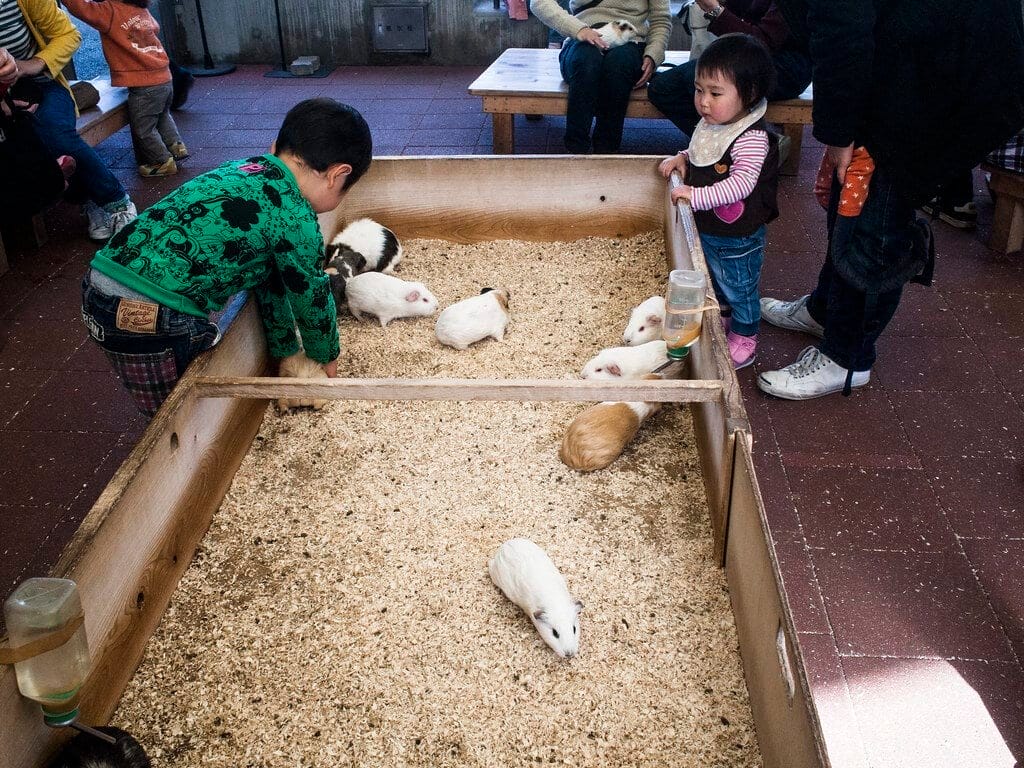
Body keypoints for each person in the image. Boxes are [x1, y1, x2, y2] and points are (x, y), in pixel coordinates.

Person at [756, 0, 1024, 400]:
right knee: (851, 201)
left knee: (877, 220)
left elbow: (843, 38)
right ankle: (825, 311)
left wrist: (838, 133)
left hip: (940, 87)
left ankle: (847, 358)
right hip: (910, 65)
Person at [80, 98, 372, 417]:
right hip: (155, 315)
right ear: (336, 175)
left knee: (152, 390)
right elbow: (311, 295)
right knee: (180, 413)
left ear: (277, 146)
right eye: (345, 189)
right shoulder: (295, 218)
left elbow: (268, 281)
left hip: (100, 287)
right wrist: (326, 358)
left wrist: (286, 352)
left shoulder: (242, 170)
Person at [658, 34, 778, 369]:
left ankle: (745, 336)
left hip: (738, 236)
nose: (703, 102)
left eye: (715, 93)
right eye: (699, 90)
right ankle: (725, 318)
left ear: (750, 95)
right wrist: (684, 156)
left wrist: (696, 195)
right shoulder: (715, 122)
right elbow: (702, 154)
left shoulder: (751, 138)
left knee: (740, 286)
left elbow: (740, 185)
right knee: (717, 280)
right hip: (712, 229)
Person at [0, 0, 137, 240]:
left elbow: (67, 35)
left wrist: (28, 66)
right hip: (5, 101)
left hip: (41, 86)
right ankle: (83, 194)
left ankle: (116, 201)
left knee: (52, 132)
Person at [647, 0, 811, 142]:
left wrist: (715, 10)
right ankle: (726, 141)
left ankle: (745, 145)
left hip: (785, 67)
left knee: (696, 78)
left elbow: (762, 44)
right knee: (660, 87)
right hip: (746, 56)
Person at [61, 0, 187, 178]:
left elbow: (81, 8)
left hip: (143, 85)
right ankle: (176, 146)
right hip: (164, 77)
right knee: (161, 116)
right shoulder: (140, 8)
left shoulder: (110, 11)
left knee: (143, 128)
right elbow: (155, 28)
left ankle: (161, 161)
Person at [530, 0, 671, 154]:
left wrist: (653, 55)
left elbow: (661, 20)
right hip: (582, 38)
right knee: (587, 61)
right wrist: (579, 29)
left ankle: (606, 151)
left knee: (618, 63)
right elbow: (538, 3)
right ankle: (575, 148)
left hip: (630, 39)